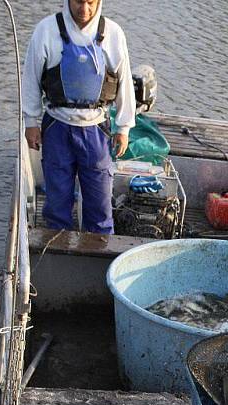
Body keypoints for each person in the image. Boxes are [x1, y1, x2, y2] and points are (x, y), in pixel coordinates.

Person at [22, 0, 135, 234]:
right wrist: (30, 121)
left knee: (99, 204)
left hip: (96, 129)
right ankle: (57, 253)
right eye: (78, 1)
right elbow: (31, 77)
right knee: (57, 203)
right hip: (57, 126)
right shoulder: (46, 30)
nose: (84, 10)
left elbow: (124, 83)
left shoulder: (113, 33)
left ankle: (98, 257)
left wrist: (124, 127)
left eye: (91, 2)